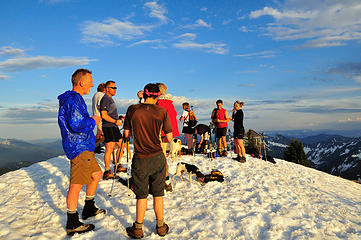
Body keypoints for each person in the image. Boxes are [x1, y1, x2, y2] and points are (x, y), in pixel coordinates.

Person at [58, 69, 106, 236]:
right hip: (79, 147)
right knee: (76, 184)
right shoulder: (74, 99)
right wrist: (94, 120)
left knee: (96, 174)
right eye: (90, 81)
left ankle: (88, 207)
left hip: (83, 145)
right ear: (81, 82)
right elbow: (77, 124)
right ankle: (72, 222)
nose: (92, 84)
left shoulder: (72, 99)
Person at [123, 83, 172, 238]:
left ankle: (138, 229)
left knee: (141, 195)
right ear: (158, 96)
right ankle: (161, 226)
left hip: (140, 158)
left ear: (143, 94)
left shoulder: (132, 109)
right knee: (158, 194)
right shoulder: (162, 112)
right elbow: (169, 138)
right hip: (158, 157)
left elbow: (126, 133)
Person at [100, 80, 127, 180]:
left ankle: (117, 165)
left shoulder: (109, 99)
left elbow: (109, 113)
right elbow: (103, 115)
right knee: (109, 148)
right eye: (113, 88)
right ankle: (107, 171)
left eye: (116, 88)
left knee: (122, 144)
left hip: (113, 126)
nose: (115, 89)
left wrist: (118, 118)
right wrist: (115, 122)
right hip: (109, 127)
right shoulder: (106, 99)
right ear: (107, 89)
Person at [156, 83, 179, 192]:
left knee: (156, 156)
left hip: (158, 133)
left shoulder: (158, 102)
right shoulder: (170, 103)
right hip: (168, 134)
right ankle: (167, 181)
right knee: (162, 156)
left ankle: (160, 181)